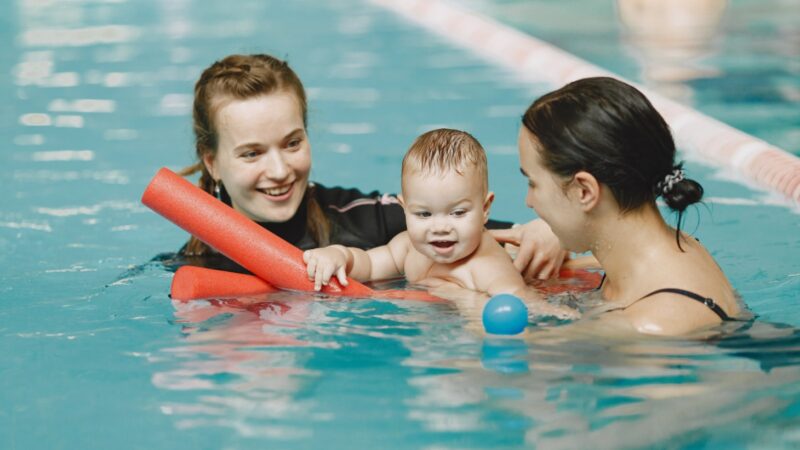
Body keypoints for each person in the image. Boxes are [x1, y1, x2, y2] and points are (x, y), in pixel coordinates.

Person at [176, 53, 565, 279]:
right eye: (252, 153)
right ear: (212, 162)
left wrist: (547, 232)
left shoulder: (368, 220)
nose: (279, 170)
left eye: (292, 143)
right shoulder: (199, 263)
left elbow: (484, 226)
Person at [517, 76, 746, 335]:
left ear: (584, 191)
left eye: (533, 183)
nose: (528, 201)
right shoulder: (675, 248)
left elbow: (516, 359)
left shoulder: (646, 326)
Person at [303, 128, 576, 318]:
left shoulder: (486, 266)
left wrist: (554, 314)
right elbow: (370, 265)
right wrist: (338, 254)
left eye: (457, 213)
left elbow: (519, 301)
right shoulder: (409, 247)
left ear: (485, 210)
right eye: (424, 214)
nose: (440, 227)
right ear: (404, 209)